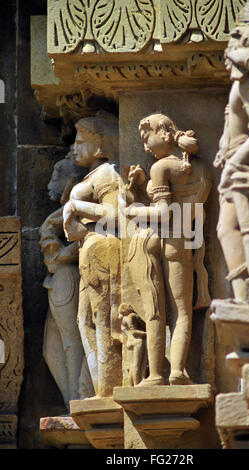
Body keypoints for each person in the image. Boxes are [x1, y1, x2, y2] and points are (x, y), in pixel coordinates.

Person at [126, 113, 211, 386]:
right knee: (182, 311)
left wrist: (134, 211)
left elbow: (162, 213)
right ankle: (178, 371)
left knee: (156, 312)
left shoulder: (160, 167)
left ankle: (155, 375)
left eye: (146, 137)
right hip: (183, 240)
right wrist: (141, 187)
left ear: (164, 133)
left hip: (159, 239)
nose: (145, 146)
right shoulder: (198, 169)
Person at [63, 111, 123, 397]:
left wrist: (76, 208)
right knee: (85, 321)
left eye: (81, 140)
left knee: (104, 319)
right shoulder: (95, 174)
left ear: (100, 144)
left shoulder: (109, 173)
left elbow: (114, 214)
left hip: (104, 251)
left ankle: (108, 389)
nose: (75, 147)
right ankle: (99, 388)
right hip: (90, 253)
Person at [40, 150, 92, 406]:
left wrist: (60, 256)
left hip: (68, 277)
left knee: (73, 340)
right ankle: (73, 399)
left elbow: (88, 235)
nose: (52, 183)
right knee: (52, 350)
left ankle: (78, 401)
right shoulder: (64, 212)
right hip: (59, 277)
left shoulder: (82, 205)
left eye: (58, 175)